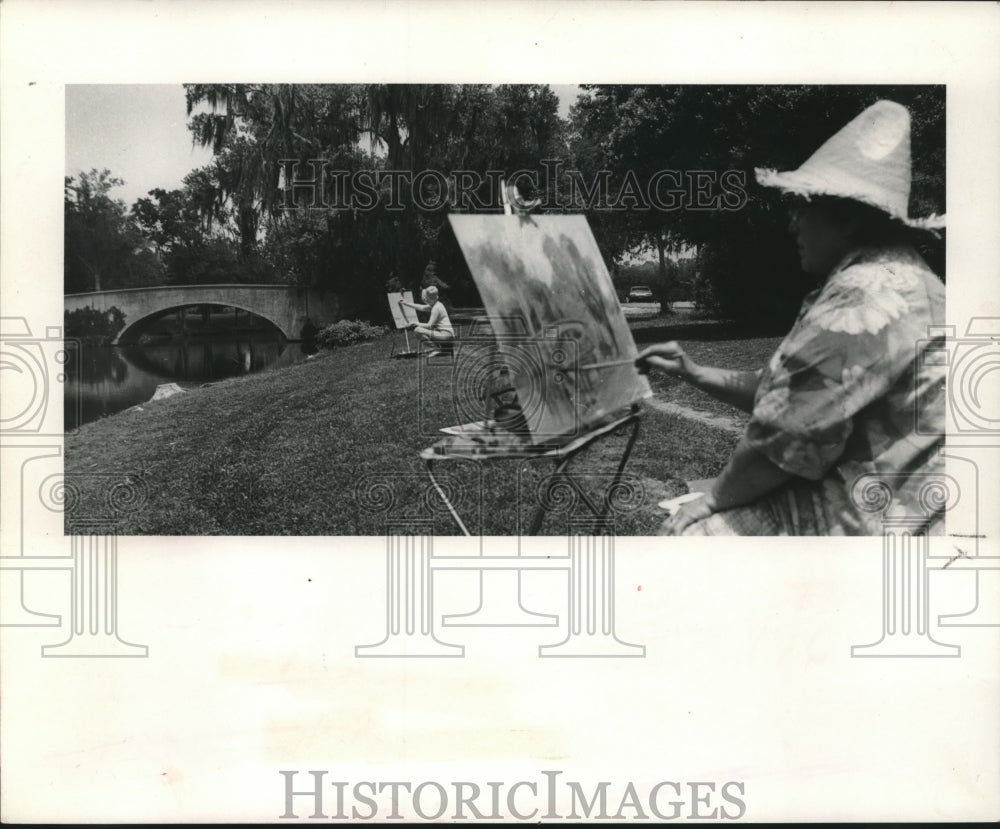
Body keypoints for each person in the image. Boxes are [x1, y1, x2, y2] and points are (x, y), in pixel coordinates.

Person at [636, 99, 947, 536]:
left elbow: (785, 436)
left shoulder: (862, 298)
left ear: (847, 218)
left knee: (685, 537)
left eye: (803, 207)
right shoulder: (909, 277)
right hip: (921, 503)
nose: (792, 224)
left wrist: (712, 500)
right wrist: (695, 371)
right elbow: (784, 391)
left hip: (885, 522)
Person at [400, 285, 455, 357]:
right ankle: (442, 348)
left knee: (418, 330)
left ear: (429, 298)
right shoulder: (437, 304)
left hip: (446, 336)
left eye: (426, 298)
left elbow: (429, 325)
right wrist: (406, 304)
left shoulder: (436, 308)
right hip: (448, 336)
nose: (425, 300)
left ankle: (435, 349)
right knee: (424, 330)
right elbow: (421, 307)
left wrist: (415, 323)